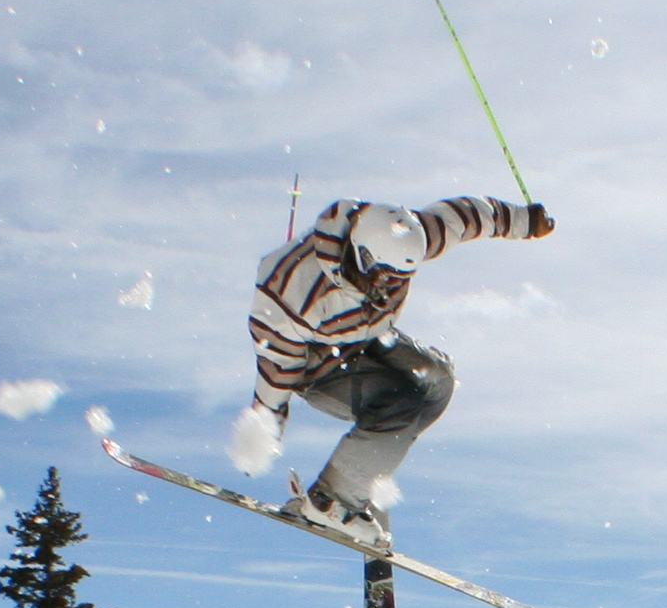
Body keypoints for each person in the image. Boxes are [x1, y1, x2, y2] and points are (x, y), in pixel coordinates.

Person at [231, 194, 554, 549]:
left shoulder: (407, 235)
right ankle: (330, 500)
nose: (389, 287)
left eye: (401, 278)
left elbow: (467, 217)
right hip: (320, 368)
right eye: (384, 276)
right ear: (361, 255)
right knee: (400, 403)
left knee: (438, 381)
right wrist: (260, 439)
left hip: (369, 337)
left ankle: (362, 469)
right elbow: (276, 371)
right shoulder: (290, 292)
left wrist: (526, 221)